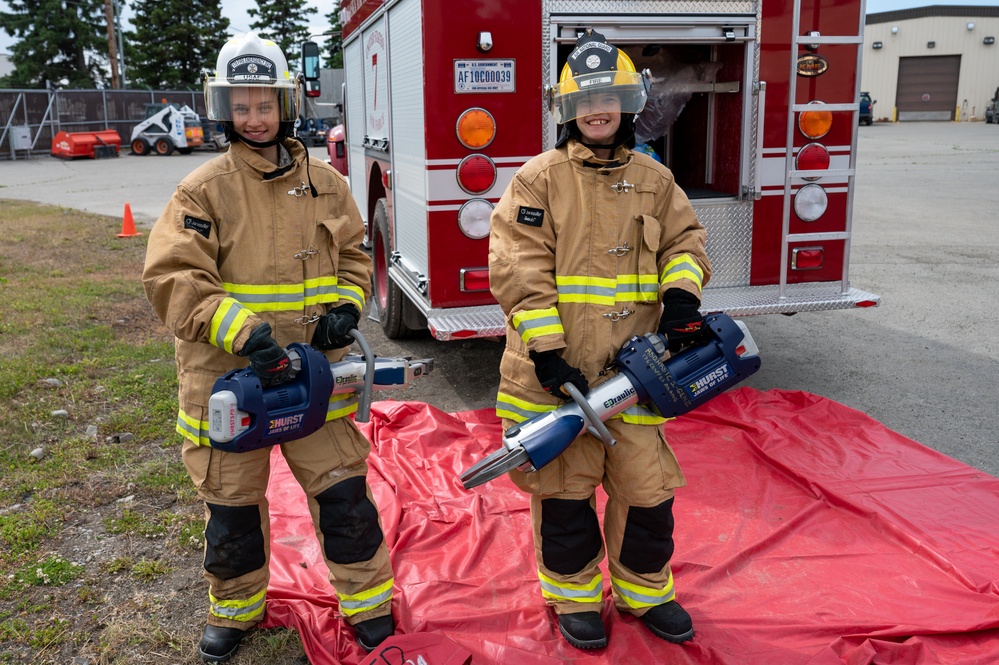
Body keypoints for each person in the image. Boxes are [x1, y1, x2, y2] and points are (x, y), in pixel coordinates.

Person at [142, 33, 394, 663]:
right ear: (224, 109)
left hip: (315, 375)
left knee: (344, 497)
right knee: (231, 509)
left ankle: (369, 606)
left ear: (286, 104)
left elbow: (355, 256)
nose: (255, 117)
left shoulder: (327, 184)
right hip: (229, 379)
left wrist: (345, 306)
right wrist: (245, 334)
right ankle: (234, 610)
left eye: (265, 104)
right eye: (242, 105)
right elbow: (175, 278)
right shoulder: (202, 190)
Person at [488, 30, 712, 650]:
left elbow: (684, 244)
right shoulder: (536, 181)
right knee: (564, 498)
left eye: (608, 96)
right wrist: (548, 353)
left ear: (628, 102)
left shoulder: (655, 179)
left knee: (647, 493)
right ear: (565, 109)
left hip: (636, 379)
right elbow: (518, 270)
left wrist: (683, 301)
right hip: (558, 382)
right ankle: (575, 599)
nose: (596, 109)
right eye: (584, 100)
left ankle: (645, 591)